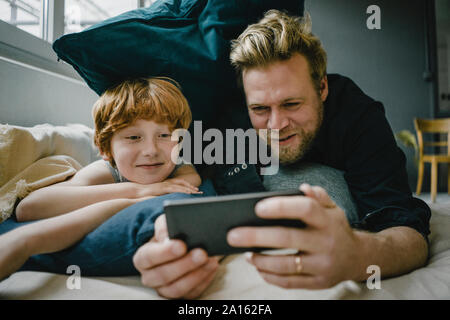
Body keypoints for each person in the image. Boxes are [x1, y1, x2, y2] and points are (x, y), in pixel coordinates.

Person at [132, 10, 431, 297]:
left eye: (292, 104)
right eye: (260, 109)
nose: (277, 125)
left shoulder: (357, 116)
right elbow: (191, 185)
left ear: (322, 87)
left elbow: (407, 231)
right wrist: (170, 245)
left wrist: (356, 256)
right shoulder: (229, 121)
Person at [0, 77, 202, 281]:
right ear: (106, 149)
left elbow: (192, 182)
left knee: (125, 205)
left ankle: (25, 243)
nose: (151, 150)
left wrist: (135, 200)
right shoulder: (105, 171)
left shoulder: (180, 167)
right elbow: (29, 208)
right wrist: (139, 191)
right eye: (133, 137)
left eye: (165, 136)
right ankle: (22, 242)